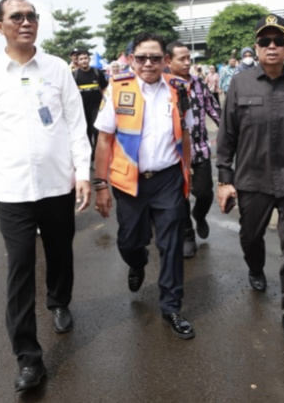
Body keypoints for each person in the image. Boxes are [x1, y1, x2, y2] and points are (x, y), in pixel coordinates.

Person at [0, 0, 91, 392]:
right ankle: (28, 359)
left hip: (58, 183)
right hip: (11, 189)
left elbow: (76, 123)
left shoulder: (57, 68)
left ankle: (59, 301)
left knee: (60, 252)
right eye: (16, 17)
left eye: (31, 16)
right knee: (20, 268)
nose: (25, 22)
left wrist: (84, 173)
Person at [216, 14, 284, 349]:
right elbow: (227, 135)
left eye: (278, 41)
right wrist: (224, 179)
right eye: (265, 42)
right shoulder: (240, 84)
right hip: (251, 180)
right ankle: (256, 268)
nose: (271, 47)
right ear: (256, 47)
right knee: (250, 237)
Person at [93, 32, 195, 340]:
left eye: (155, 58)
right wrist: (100, 183)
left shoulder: (179, 90)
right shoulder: (117, 89)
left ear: (166, 60)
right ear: (131, 60)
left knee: (172, 245)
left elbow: (186, 136)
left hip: (168, 179)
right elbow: (104, 140)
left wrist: (186, 173)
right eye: (141, 58)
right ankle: (136, 263)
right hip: (129, 182)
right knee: (130, 241)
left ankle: (171, 306)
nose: (148, 64)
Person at [167, 41, 221, 258]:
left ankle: (200, 214)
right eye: (182, 59)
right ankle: (188, 235)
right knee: (179, 198)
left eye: (189, 58)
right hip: (173, 155)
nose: (188, 62)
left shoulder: (199, 83)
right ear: (168, 61)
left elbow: (215, 110)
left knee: (205, 193)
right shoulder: (162, 86)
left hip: (200, 150)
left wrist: (229, 130)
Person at [72, 49, 108, 156]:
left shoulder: (98, 73)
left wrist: (106, 104)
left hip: (96, 107)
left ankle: (96, 153)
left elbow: (105, 89)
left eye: (85, 58)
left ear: (89, 59)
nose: (84, 61)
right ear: (77, 61)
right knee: (85, 132)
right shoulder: (74, 75)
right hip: (81, 108)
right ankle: (88, 152)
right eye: (81, 59)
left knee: (97, 130)